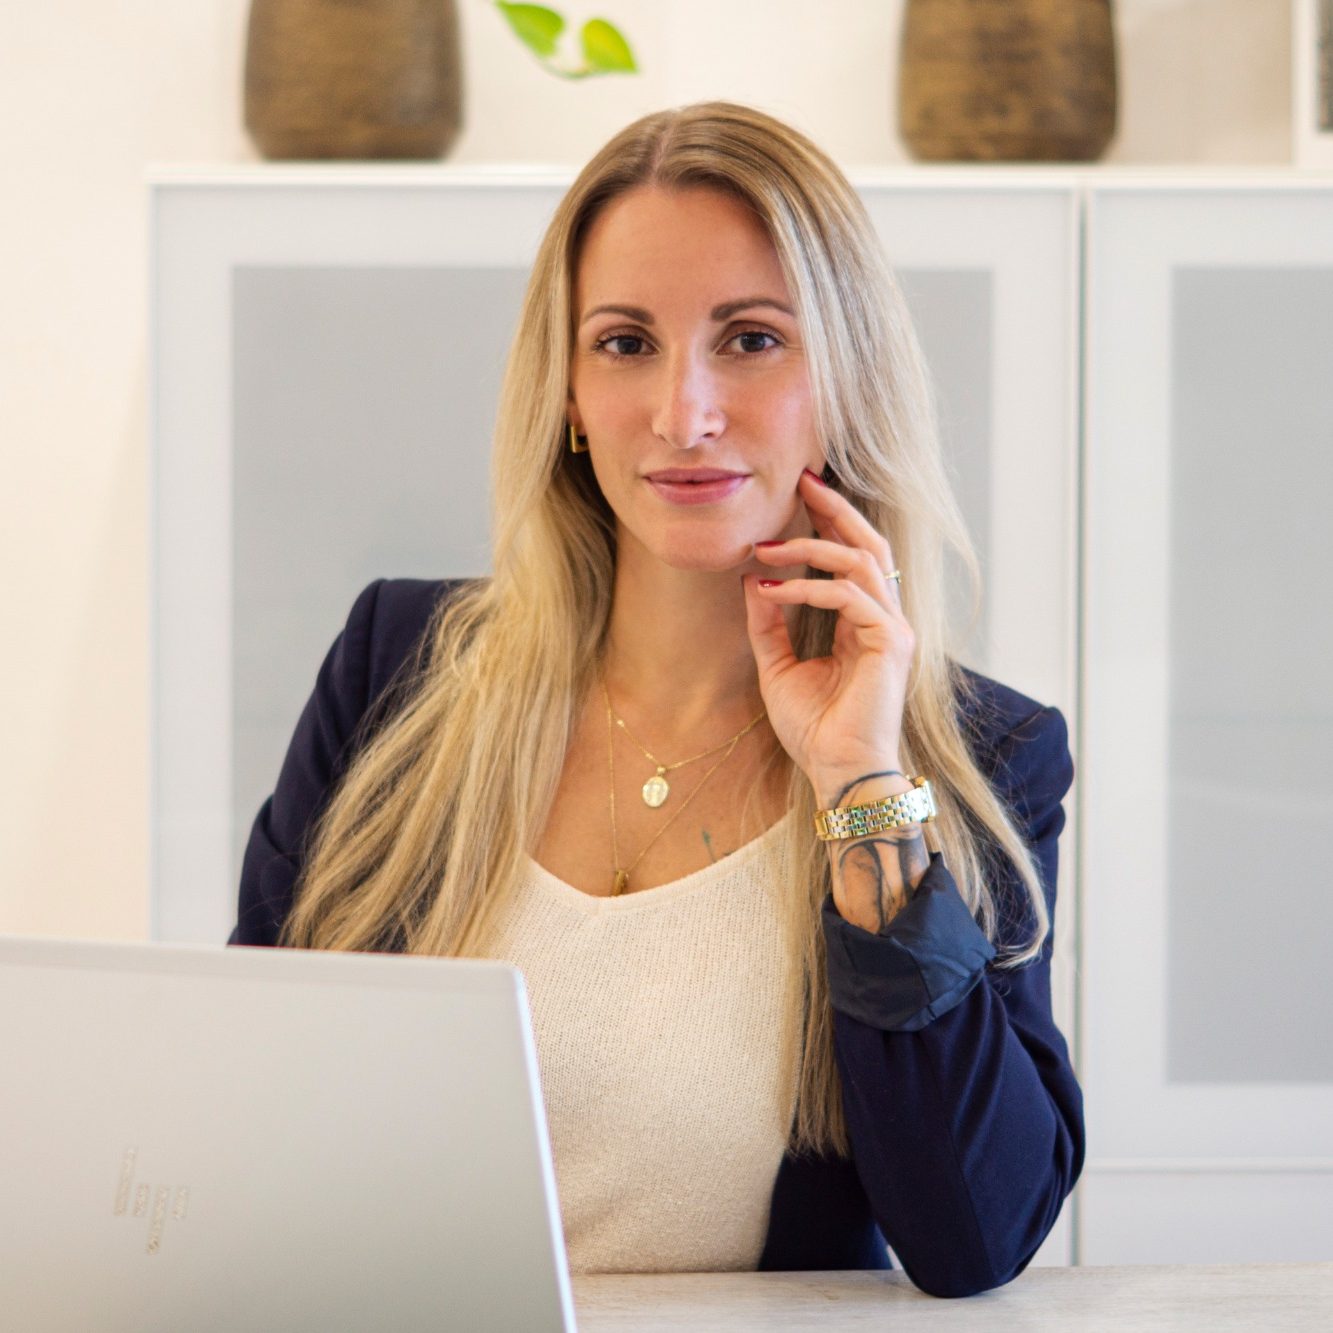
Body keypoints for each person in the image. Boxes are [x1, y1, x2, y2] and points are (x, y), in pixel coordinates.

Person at [231, 100, 1083, 1298]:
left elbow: (971, 1237)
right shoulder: (395, 667)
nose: (684, 413)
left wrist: (859, 787)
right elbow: (245, 1108)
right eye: (626, 342)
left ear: (842, 377)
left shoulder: (983, 756)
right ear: (569, 395)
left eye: (751, 339)